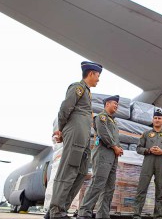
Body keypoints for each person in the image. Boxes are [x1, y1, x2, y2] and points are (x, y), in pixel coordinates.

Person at [48, 61, 102, 219]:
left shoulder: (87, 92)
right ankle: (56, 211)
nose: (98, 79)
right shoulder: (77, 88)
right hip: (76, 135)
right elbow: (64, 109)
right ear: (91, 73)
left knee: (81, 173)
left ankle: (60, 208)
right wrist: (60, 129)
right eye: (98, 76)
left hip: (84, 137)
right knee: (68, 171)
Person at [78, 95, 123, 219]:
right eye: (115, 103)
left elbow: (114, 137)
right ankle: (84, 212)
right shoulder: (101, 117)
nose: (116, 106)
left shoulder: (113, 121)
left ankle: (103, 215)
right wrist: (115, 147)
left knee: (109, 187)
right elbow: (103, 134)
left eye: (117, 104)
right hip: (103, 154)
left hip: (113, 156)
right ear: (107, 103)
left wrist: (118, 148)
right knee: (97, 183)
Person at [132, 109, 162, 219]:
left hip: (161, 162)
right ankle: (137, 214)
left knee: (161, 189)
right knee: (142, 188)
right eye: (155, 118)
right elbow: (138, 148)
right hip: (148, 161)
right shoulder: (146, 134)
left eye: (159, 118)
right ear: (152, 120)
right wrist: (148, 150)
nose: (157, 120)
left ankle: (158, 215)